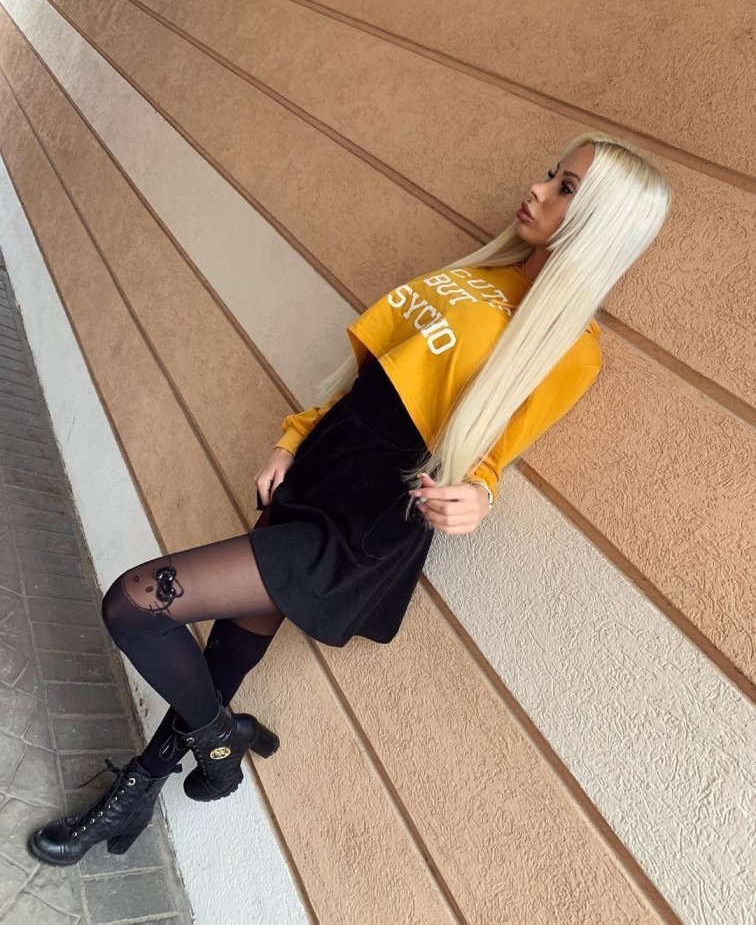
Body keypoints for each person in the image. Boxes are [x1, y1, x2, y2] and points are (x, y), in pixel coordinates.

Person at [28, 131, 671, 866]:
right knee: (232, 645)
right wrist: (292, 439)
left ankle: (218, 748)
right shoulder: (475, 274)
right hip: (325, 465)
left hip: (370, 513)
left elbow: (495, 454)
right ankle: (146, 786)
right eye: (553, 173)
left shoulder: (572, 349)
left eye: (567, 190)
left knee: (134, 604)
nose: (538, 188)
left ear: (604, 224)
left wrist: (478, 499)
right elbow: (365, 380)